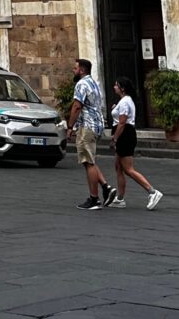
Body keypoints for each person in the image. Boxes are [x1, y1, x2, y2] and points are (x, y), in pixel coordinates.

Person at [64, 58, 116, 209]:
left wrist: (70, 127)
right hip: (97, 125)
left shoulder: (81, 84)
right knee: (90, 160)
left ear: (82, 70)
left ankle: (94, 199)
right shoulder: (94, 83)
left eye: (75, 68)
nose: (73, 71)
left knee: (88, 162)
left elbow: (77, 106)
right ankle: (106, 188)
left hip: (87, 126)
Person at [111, 77, 163, 211]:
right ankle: (120, 199)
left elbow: (122, 122)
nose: (114, 87)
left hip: (125, 135)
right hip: (125, 134)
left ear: (122, 88)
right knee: (118, 167)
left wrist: (115, 139)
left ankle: (152, 191)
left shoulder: (125, 102)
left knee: (128, 169)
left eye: (116, 85)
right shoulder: (124, 101)